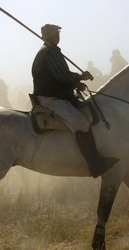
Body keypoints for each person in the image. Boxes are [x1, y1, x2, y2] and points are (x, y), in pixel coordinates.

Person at [32, 24, 118, 178]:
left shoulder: (49, 50)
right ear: (53, 36)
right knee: (81, 121)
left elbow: (58, 76)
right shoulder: (50, 52)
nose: (59, 36)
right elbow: (62, 75)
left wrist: (76, 84)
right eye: (57, 33)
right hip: (50, 98)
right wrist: (80, 76)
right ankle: (95, 163)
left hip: (54, 94)